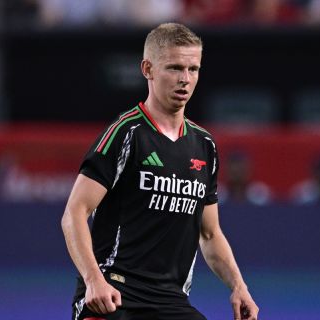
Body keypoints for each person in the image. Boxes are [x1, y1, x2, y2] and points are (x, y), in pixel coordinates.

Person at [61, 23, 259, 320]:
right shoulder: (126, 133)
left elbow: (210, 233)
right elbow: (74, 213)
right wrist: (93, 281)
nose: (185, 80)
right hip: (114, 294)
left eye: (193, 69)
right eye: (175, 68)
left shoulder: (204, 145)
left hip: (171, 301)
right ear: (147, 69)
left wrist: (238, 285)